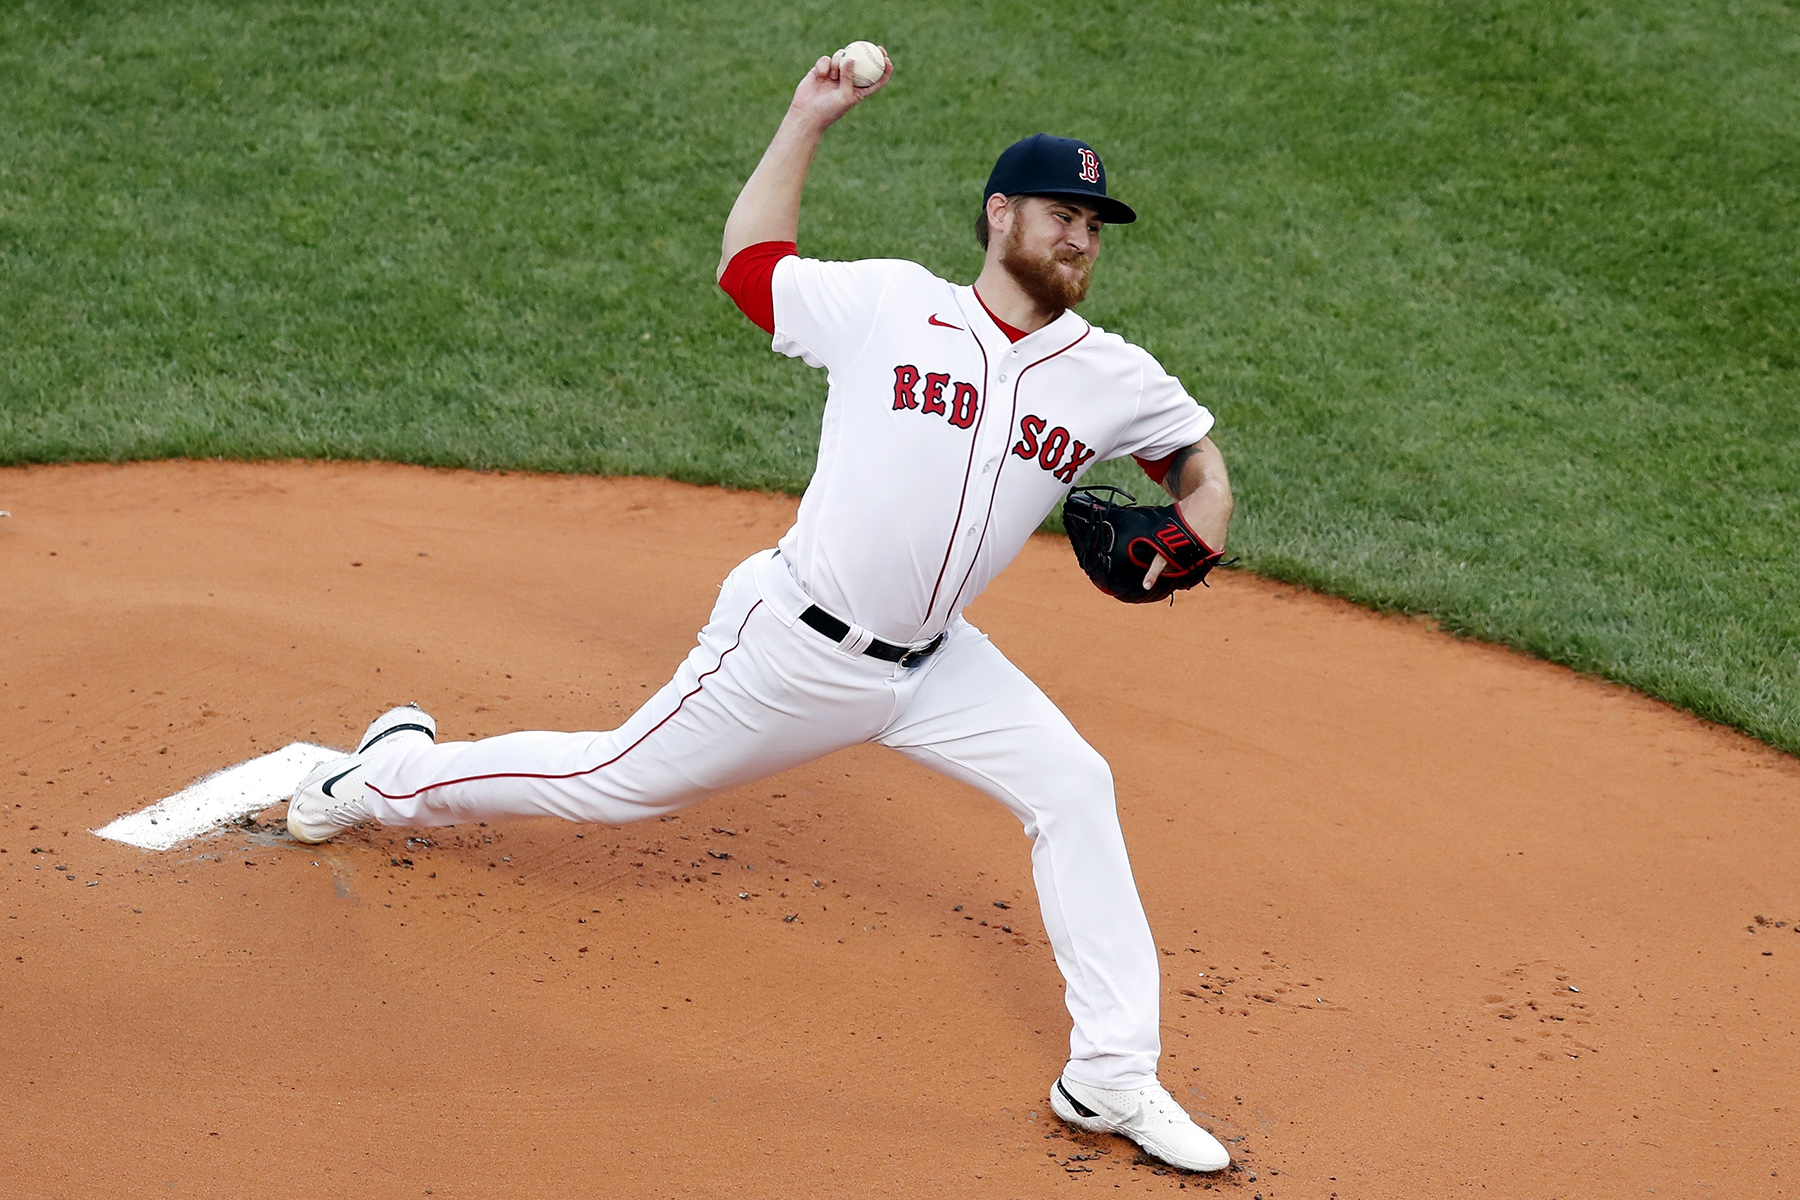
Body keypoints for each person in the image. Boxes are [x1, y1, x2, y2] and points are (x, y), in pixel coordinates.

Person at [288, 49, 1235, 1173]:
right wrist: (808, 116)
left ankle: (1112, 1077)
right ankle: (375, 779)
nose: (1081, 239)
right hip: (794, 644)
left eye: (1095, 223)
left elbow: (1196, 462)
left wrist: (1193, 538)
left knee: (1075, 785)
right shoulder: (889, 304)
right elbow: (749, 269)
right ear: (999, 216)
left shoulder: (1112, 372)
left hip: (939, 668)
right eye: (1062, 214)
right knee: (608, 783)